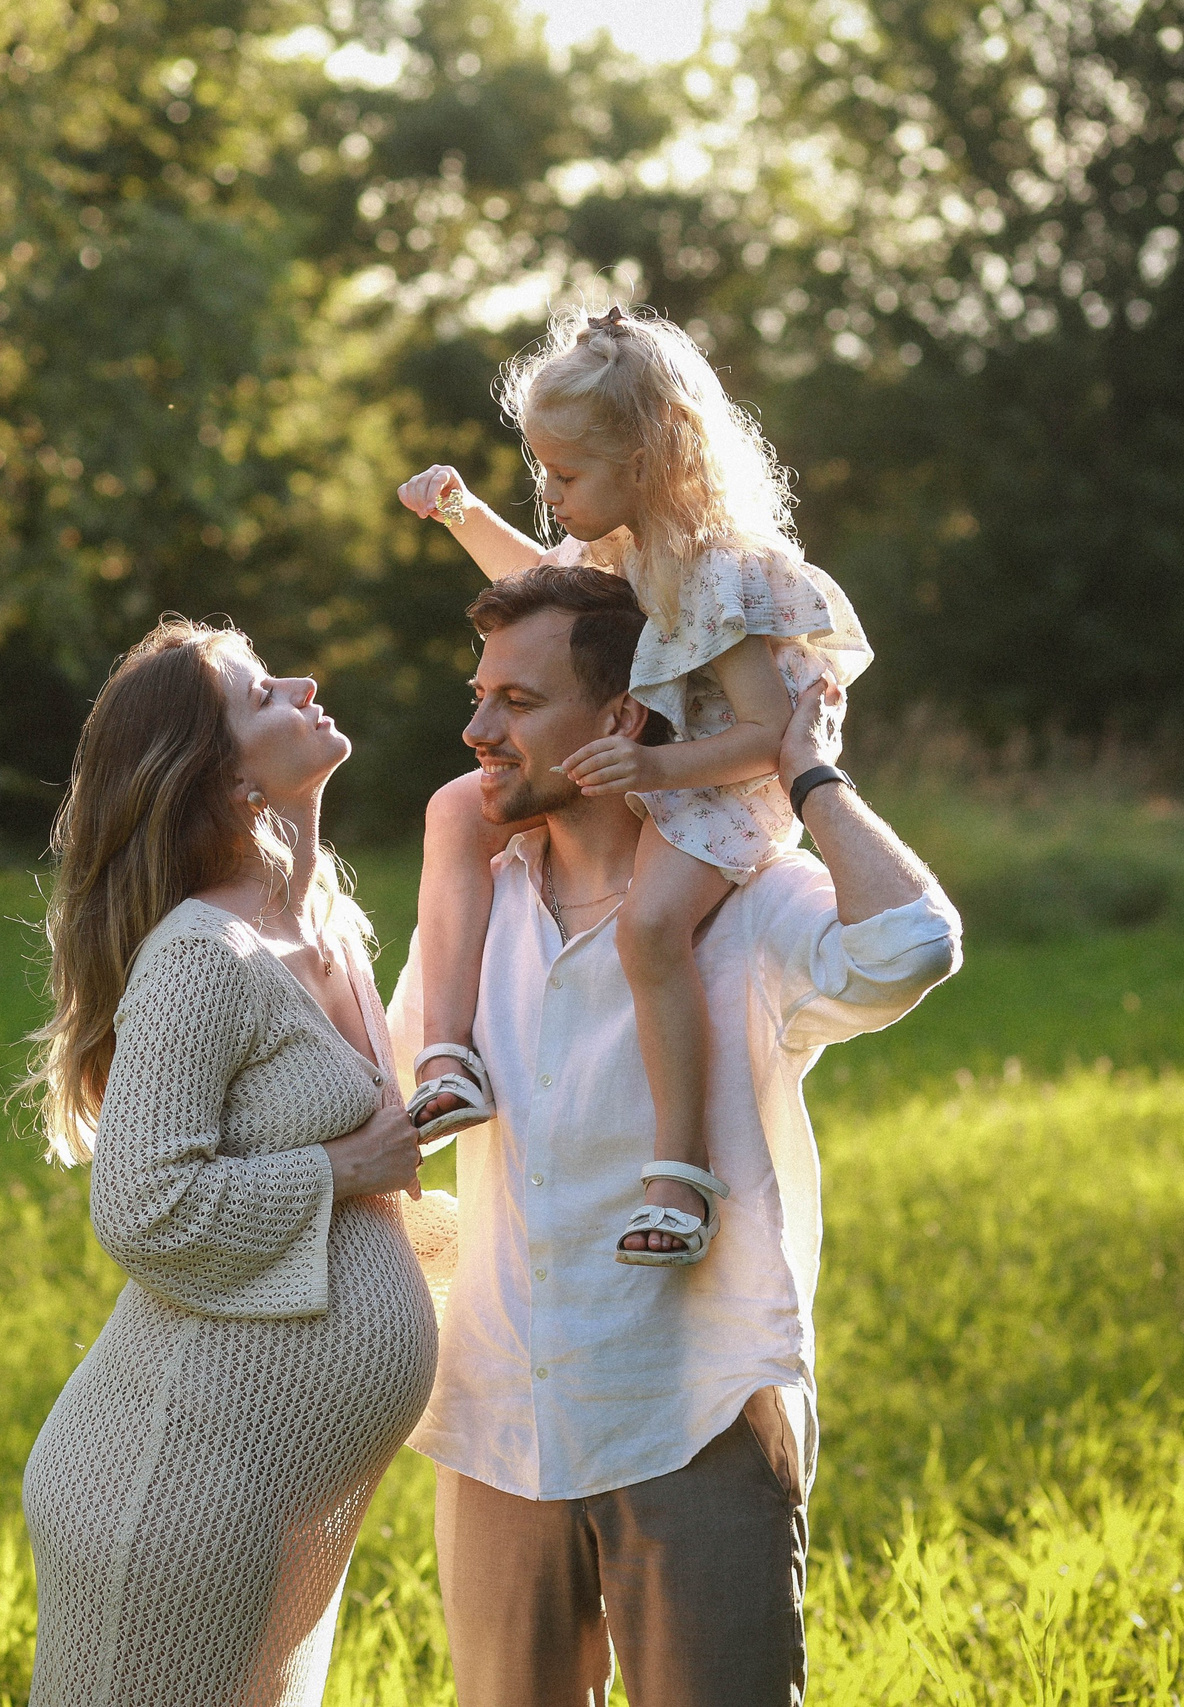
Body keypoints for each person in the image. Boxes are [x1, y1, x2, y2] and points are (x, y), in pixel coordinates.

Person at [386, 565, 960, 1706]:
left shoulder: (750, 906)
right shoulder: (475, 906)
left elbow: (911, 946)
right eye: (480, 694)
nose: (475, 730)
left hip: (690, 1413)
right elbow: (391, 1083)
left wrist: (802, 770)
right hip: (503, 1415)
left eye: (516, 703)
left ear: (621, 721)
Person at [18, 618, 456, 1707]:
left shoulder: (328, 922)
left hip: (274, 1495)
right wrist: (347, 1170)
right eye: (264, 696)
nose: (306, 686)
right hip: (167, 1496)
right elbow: (143, 1209)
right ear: (221, 779)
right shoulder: (201, 960)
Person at [396, 305, 872, 1268]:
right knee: (457, 808)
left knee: (650, 928)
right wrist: (459, 513)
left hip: (720, 784)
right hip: (643, 765)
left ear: (649, 461)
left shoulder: (715, 572)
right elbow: (540, 595)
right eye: (543, 471)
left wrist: (655, 769)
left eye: (567, 474)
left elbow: (764, 734)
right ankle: (446, 1054)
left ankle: (678, 1166)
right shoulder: (614, 553)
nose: (552, 494)